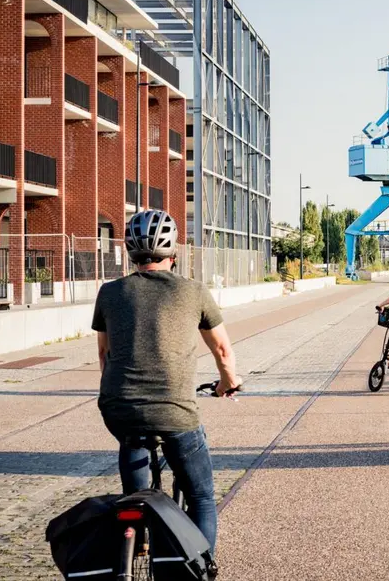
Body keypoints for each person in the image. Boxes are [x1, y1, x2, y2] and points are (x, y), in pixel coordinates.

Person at [92, 210, 242, 559]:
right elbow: (222, 348)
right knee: (202, 496)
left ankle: (138, 534)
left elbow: (104, 354)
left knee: (133, 441)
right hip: (175, 411)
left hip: (119, 407)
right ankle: (201, 566)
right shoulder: (193, 291)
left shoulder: (109, 292)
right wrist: (229, 382)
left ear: (130, 253)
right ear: (174, 253)